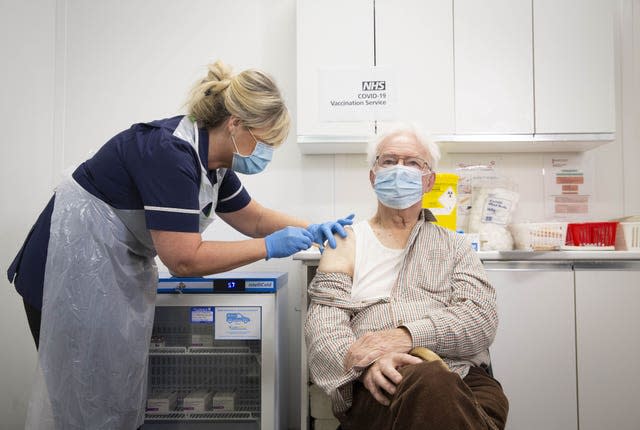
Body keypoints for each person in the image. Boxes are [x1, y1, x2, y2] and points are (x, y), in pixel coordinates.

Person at [7, 59, 353, 430]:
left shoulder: (216, 165)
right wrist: (268, 247)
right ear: (235, 124)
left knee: (111, 392)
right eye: (264, 140)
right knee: (83, 400)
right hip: (67, 266)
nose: (267, 151)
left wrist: (315, 228)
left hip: (108, 268)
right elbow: (184, 260)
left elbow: (253, 217)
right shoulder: (170, 153)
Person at [305, 125, 509, 430]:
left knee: (440, 385)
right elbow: (323, 329)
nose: (399, 170)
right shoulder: (346, 242)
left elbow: (481, 318)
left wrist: (405, 337)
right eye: (388, 161)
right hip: (380, 383)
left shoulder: (455, 246)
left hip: (462, 377)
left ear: (429, 181)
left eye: (413, 163)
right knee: (432, 385)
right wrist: (368, 367)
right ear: (373, 176)